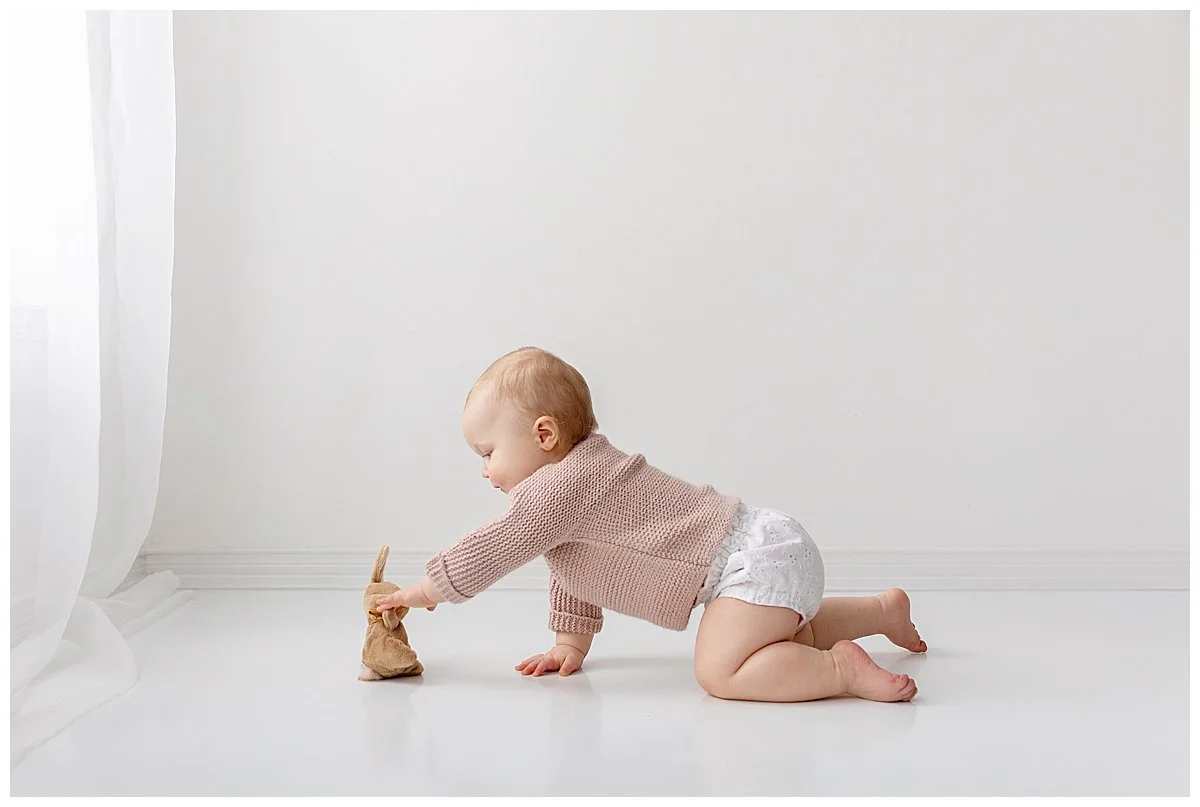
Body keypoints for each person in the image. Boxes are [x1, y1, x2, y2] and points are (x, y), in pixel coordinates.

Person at [375, 346, 926, 702]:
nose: (484, 469)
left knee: (721, 670)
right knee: (785, 632)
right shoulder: (583, 480)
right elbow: (576, 568)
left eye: (488, 451)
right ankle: (880, 611)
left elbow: (492, 549)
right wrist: (571, 642)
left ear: (544, 436)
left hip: (746, 566)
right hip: (769, 547)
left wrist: (426, 590)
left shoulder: (556, 488)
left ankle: (840, 672)